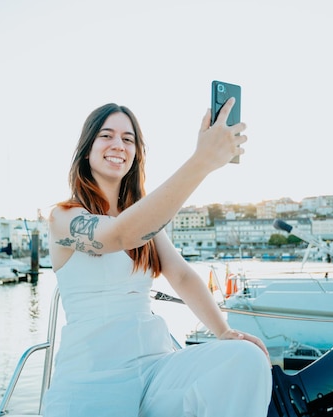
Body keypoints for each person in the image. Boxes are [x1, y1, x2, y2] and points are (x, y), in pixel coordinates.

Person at [43, 99, 272, 417]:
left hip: (155, 368)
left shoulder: (145, 226)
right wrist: (202, 161)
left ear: (136, 154)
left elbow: (182, 276)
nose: (118, 145)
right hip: (92, 378)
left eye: (128, 139)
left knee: (245, 357)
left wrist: (224, 332)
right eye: (106, 135)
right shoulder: (63, 217)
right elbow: (117, 235)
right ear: (86, 150)